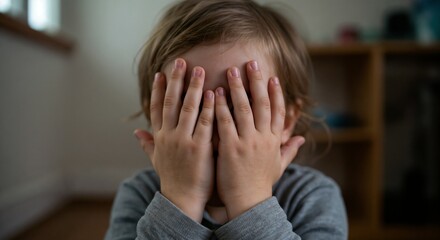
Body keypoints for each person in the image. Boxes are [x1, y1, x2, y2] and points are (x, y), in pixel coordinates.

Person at [105, 0, 348, 239]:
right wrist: (180, 200)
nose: (215, 131)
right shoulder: (138, 194)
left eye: (241, 110)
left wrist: (250, 200)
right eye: (190, 108)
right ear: (156, 117)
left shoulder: (313, 196)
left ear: (286, 121)